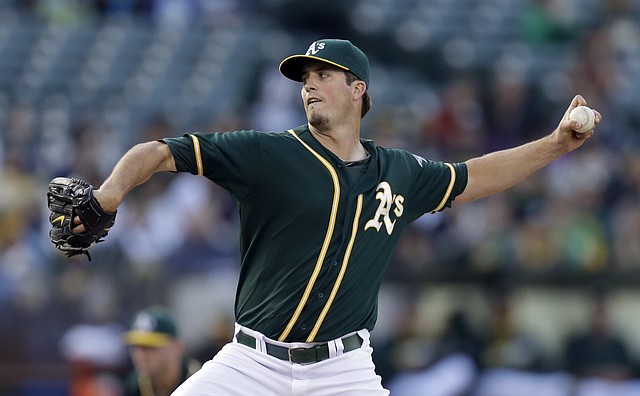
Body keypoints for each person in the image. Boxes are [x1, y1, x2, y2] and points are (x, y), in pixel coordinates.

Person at [72, 39, 600, 394]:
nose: (309, 84)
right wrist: (107, 196)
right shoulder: (268, 153)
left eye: (324, 74)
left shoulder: (399, 171)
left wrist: (555, 145)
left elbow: (473, 177)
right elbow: (162, 151)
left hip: (342, 370)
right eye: (305, 77)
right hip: (252, 361)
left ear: (358, 90)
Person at [123, 306, 200, 396]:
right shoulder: (136, 386)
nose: (141, 354)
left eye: (150, 346)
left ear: (176, 347)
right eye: (136, 346)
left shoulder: (199, 379)